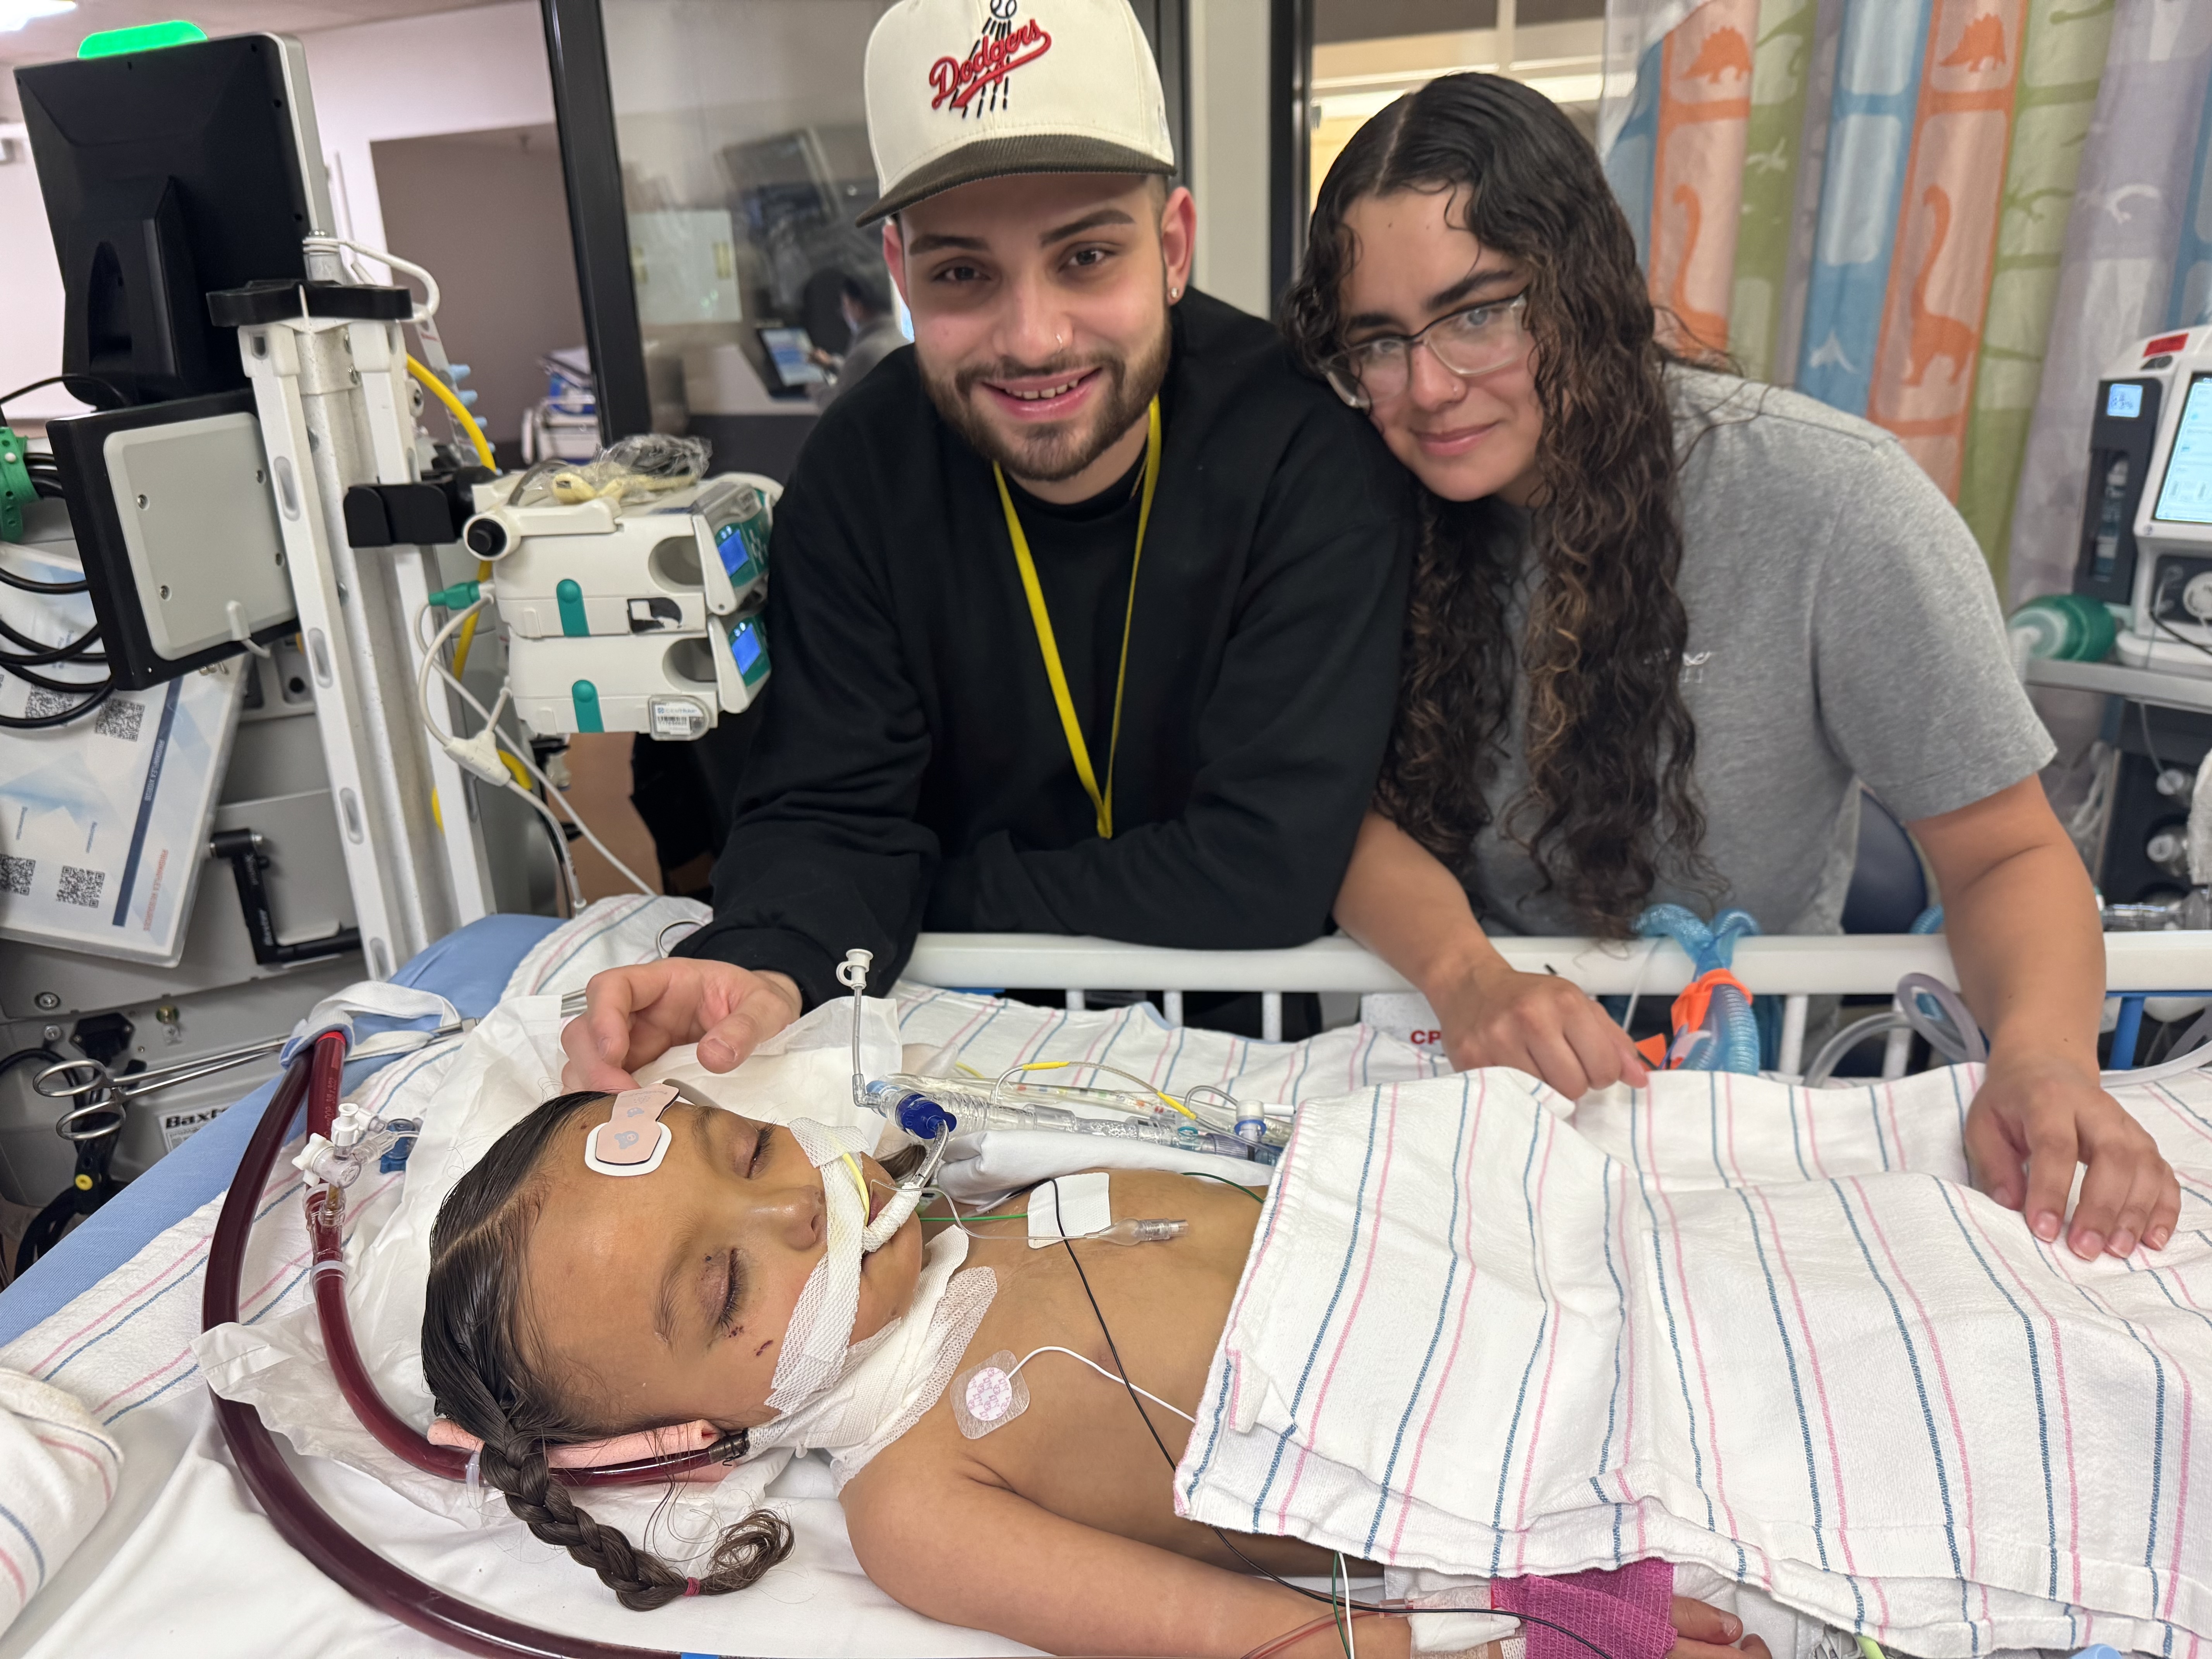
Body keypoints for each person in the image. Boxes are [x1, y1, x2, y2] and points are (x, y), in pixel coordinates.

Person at [1300, 74, 2175, 1264]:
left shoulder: (1829, 507)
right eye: (1378, 342)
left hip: (1728, 1092)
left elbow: (2007, 852)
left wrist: (2037, 1057)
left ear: (1580, 286)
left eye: (1476, 314)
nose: (1426, 388)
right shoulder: (1347, 500)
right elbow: (1318, 805)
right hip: (1436, 1060)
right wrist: (1466, 978)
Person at [562, 0, 1409, 1091]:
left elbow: (1267, 868)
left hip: (1239, 1045)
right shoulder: (863, 468)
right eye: (963, 273)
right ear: (901, 270)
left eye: (1088, 255)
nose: (1032, 337)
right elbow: (829, 807)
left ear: (1174, 246)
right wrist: (766, 960)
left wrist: (921, 888)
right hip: (938, 1047)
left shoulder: (1305, 453)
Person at [422, 1086, 1774, 1659]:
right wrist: (1545, 1623)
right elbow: (1267, 1637)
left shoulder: (983, 1209)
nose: (786, 1212)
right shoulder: (914, 1499)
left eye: (744, 1148)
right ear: (688, 1441)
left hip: (1582, 1270)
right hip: (1545, 1447)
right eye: (724, 1289)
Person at [812, 271, 907, 405]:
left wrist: (814, 388)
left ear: (858, 308)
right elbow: (864, 375)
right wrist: (832, 363)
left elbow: (836, 406)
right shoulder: (900, 340)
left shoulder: (866, 352)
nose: (844, 314)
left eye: (846, 306)